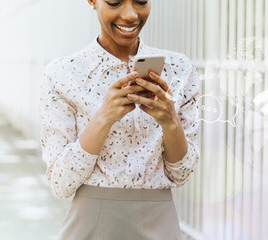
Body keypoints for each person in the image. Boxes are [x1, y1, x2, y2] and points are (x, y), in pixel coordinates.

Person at [38, 0, 200, 239]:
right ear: (92, 2)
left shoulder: (179, 70)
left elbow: (181, 174)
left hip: (160, 223)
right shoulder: (63, 74)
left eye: (141, 1)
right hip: (90, 226)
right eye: (114, 2)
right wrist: (104, 117)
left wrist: (170, 121)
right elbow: (61, 183)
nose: (130, 15)